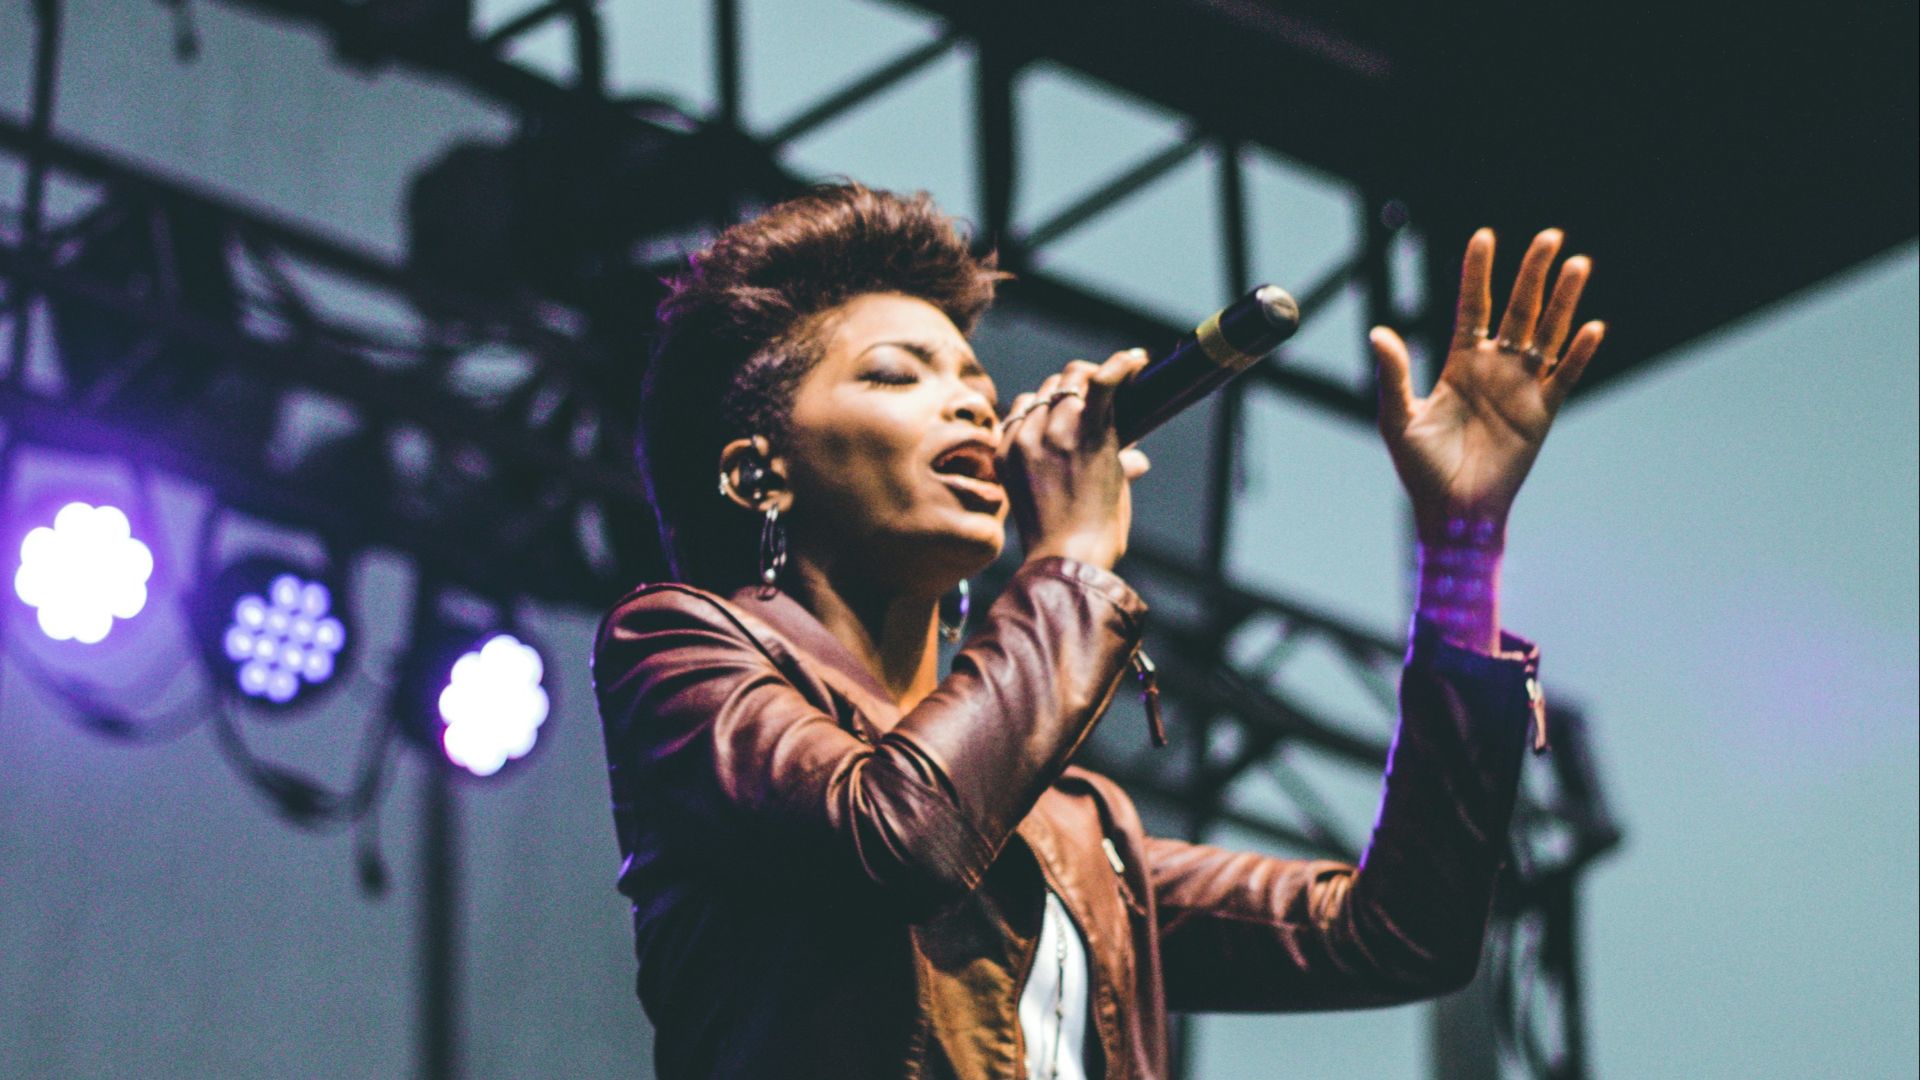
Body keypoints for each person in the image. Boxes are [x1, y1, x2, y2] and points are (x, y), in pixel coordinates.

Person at [592, 181, 1603, 1080]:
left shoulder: (1080, 832)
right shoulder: (676, 649)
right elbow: (897, 837)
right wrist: (1070, 558)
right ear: (757, 473)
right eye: (899, 375)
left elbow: (1398, 935)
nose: (971, 408)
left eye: (978, 387)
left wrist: (1462, 545)